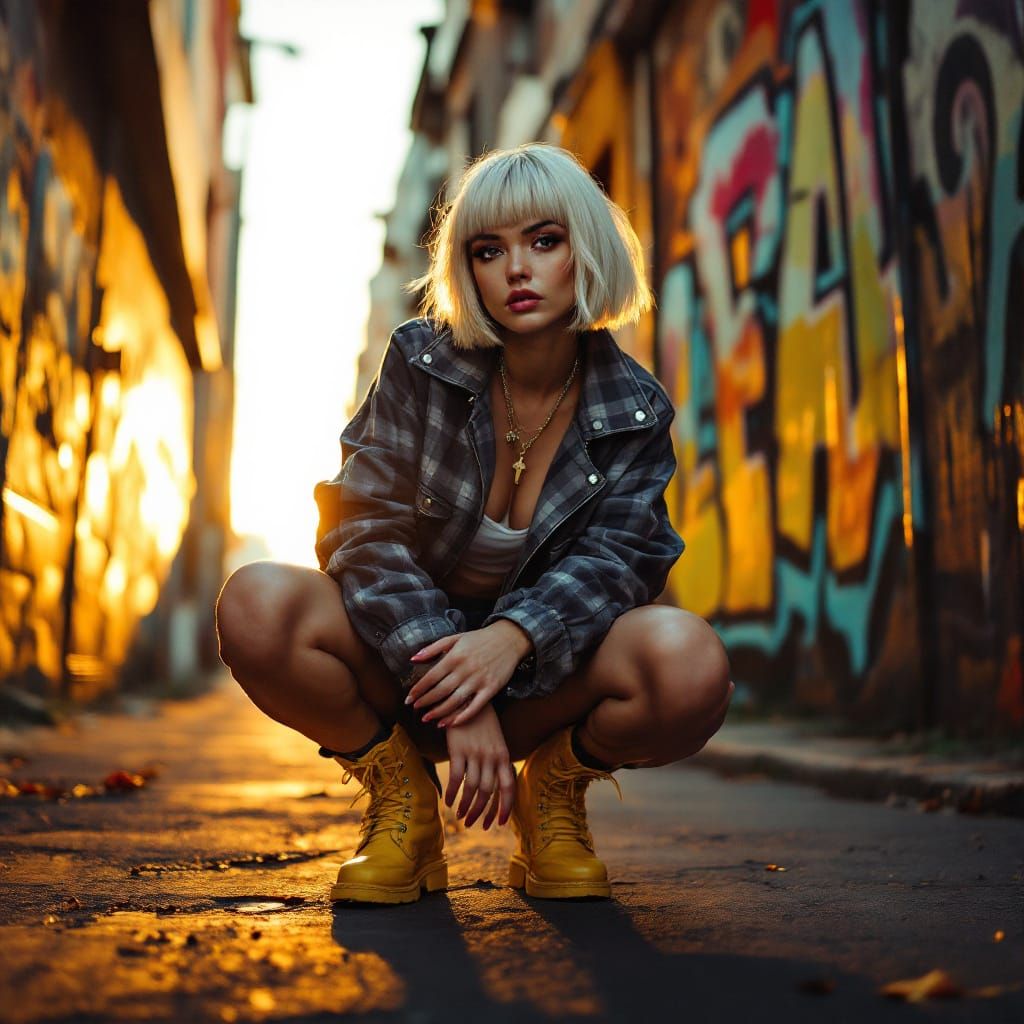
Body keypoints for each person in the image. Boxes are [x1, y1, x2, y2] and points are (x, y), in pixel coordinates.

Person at [216, 143, 733, 905]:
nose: (516, 269)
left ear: (584, 249)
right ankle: (405, 804)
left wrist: (511, 638)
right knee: (255, 604)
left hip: (543, 684)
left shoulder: (635, 407)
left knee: (689, 662)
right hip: (403, 674)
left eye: (544, 241)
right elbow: (362, 527)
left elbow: (621, 563)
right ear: (468, 268)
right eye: (489, 250)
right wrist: (451, 682)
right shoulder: (420, 364)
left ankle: (552, 794)